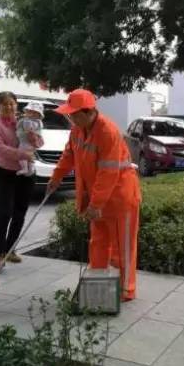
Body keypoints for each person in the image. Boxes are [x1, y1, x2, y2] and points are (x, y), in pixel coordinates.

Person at [47, 89, 142, 301]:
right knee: (98, 242)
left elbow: (109, 172)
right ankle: (97, 283)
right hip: (97, 198)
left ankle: (126, 290)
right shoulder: (77, 130)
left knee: (122, 247)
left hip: (120, 197)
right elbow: (68, 155)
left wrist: (95, 204)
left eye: (74, 114)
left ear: (89, 112)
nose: (71, 118)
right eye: (69, 114)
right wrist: (56, 177)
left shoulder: (107, 132)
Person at [0, 92, 43, 269]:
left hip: (26, 175)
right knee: (4, 213)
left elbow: (40, 143)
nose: (9, 107)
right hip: (6, 173)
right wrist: (23, 154)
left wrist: (35, 138)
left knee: (19, 213)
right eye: (5, 104)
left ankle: (10, 250)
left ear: (17, 105)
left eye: (12, 104)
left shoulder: (25, 121)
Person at [17, 102, 44, 176]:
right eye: (30, 112)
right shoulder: (39, 123)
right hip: (33, 144)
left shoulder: (26, 121)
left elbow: (22, 130)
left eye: (34, 113)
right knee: (30, 156)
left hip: (25, 143)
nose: (31, 114)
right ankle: (30, 169)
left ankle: (25, 168)